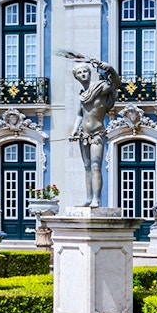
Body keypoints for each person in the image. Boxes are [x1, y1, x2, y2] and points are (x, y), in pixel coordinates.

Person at [66, 54, 120, 207]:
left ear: (90, 73)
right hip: (83, 134)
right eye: (79, 73)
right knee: (87, 167)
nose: (83, 74)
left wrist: (109, 68)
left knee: (96, 165)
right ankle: (89, 198)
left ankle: (97, 199)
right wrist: (74, 130)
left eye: (85, 72)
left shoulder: (100, 88)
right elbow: (80, 113)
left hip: (97, 133)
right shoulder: (82, 95)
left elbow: (116, 84)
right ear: (76, 77)